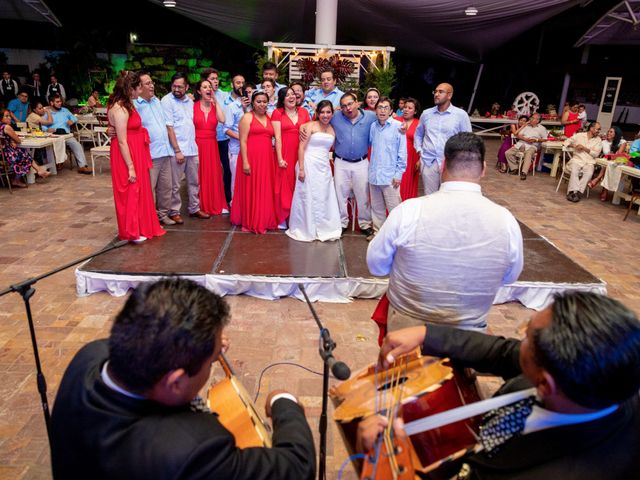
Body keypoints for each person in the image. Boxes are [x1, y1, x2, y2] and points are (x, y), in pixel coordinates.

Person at [50, 278, 316, 480]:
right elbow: (296, 466)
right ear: (175, 382)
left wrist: (201, 344)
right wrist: (285, 402)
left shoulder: (91, 356)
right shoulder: (194, 449)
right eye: (212, 361)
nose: (215, 360)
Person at [358, 291, 640, 480]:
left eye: (527, 337)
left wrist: (387, 463)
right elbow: (502, 353)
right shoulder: (595, 379)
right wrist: (427, 334)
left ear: (544, 384)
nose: (520, 343)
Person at [368, 132, 523, 332]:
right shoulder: (505, 220)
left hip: (406, 330)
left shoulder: (409, 211)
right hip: (469, 334)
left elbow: (376, 266)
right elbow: (509, 276)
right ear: (484, 169)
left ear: (442, 166)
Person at [301, 91, 375, 237]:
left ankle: (365, 224)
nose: (348, 108)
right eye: (343, 106)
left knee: (363, 194)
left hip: (361, 162)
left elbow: (386, 118)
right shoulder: (335, 118)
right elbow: (318, 120)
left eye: (350, 104)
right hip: (341, 162)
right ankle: (342, 223)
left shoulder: (370, 117)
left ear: (357, 102)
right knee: (340, 194)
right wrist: (302, 127)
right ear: (340, 108)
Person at [107, 72, 165, 243]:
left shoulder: (128, 105)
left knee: (139, 191)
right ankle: (131, 231)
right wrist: (130, 166)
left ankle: (140, 226)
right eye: (138, 87)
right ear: (130, 89)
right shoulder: (120, 109)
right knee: (130, 191)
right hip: (127, 154)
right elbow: (122, 141)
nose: (140, 90)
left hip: (137, 151)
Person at [286, 100, 341, 242]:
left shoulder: (332, 129)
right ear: (317, 113)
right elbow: (301, 148)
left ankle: (324, 227)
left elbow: (332, 149)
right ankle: (307, 228)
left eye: (328, 112)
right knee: (307, 196)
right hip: (308, 164)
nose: (325, 115)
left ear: (332, 114)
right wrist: (302, 169)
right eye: (322, 112)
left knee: (324, 196)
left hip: (324, 167)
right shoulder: (309, 126)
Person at [161, 72, 210, 221]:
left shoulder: (189, 101)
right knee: (175, 184)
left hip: (192, 148)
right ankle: (174, 211)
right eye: (174, 86)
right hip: (177, 150)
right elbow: (169, 128)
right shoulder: (166, 101)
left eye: (180, 87)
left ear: (187, 87)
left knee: (194, 181)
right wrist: (177, 150)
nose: (177, 89)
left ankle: (194, 208)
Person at [230, 91, 278, 234]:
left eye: (264, 101)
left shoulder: (270, 118)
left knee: (264, 188)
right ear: (253, 102)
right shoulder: (247, 117)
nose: (262, 104)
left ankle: (263, 218)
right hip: (251, 157)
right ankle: (252, 219)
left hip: (267, 159)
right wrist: (245, 162)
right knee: (252, 188)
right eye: (258, 101)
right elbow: (243, 141)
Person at [133, 73, 176, 226]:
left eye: (152, 82)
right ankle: (148, 218)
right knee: (148, 189)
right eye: (147, 83)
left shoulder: (157, 101)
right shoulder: (134, 105)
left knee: (166, 187)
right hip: (150, 153)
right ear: (139, 87)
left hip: (165, 151)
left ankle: (162, 215)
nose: (151, 86)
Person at [414, 83, 471, 194]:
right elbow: (418, 134)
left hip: (450, 163)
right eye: (435, 91)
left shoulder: (460, 115)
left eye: (441, 92)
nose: (436, 94)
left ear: (449, 95)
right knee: (430, 197)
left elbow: (467, 139)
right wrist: (419, 151)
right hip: (429, 162)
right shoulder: (426, 114)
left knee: (448, 196)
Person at [272, 86, 311, 228]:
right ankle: (283, 216)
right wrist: (280, 158)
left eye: (293, 94)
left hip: (301, 152)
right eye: (287, 95)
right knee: (283, 184)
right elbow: (277, 137)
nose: (291, 97)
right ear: (282, 99)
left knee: (299, 184)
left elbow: (308, 134)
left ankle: (298, 217)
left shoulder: (304, 112)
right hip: (285, 153)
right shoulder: (277, 113)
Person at [368, 97, 406, 234]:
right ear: (376, 110)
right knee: (377, 209)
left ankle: (397, 236)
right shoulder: (373, 127)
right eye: (380, 107)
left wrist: (398, 174)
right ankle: (378, 234)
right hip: (374, 175)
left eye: (386, 108)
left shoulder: (398, 127)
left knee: (394, 209)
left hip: (390, 177)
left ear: (391, 111)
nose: (382, 110)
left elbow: (402, 153)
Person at [193, 79, 228, 215]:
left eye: (210, 87)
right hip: (197, 144)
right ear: (198, 91)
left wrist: (215, 101)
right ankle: (199, 204)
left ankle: (216, 203)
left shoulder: (215, 107)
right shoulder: (192, 106)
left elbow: (222, 120)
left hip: (211, 144)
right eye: (205, 87)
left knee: (213, 173)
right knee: (198, 174)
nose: (208, 89)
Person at [202, 68, 235, 205]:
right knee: (208, 170)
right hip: (207, 138)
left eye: (216, 79)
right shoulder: (198, 96)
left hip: (223, 138)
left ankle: (226, 197)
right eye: (212, 79)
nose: (215, 81)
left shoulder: (223, 95)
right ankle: (207, 198)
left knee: (227, 168)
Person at [0, 108, 49, 188]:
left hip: (2, 153)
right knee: (24, 155)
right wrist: (14, 140)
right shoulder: (7, 127)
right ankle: (17, 179)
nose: (9, 118)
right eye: (6, 116)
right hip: (7, 155)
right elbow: (18, 140)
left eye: (9, 116)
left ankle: (39, 170)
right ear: (1, 117)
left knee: (23, 151)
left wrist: (11, 141)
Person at [44, 94, 92, 174]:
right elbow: (41, 125)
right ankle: (56, 164)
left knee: (77, 144)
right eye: (57, 102)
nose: (60, 103)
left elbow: (74, 117)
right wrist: (47, 129)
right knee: (51, 145)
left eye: (60, 101)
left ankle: (83, 166)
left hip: (66, 135)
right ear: (51, 103)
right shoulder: (47, 113)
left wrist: (72, 121)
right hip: (54, 136)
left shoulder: (65, 110)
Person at [223, 74, 251, 204]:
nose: (240, 85)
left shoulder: (253, 105)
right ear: (232, 85)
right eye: (237, 82)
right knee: (236, 180)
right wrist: (242, 138)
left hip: (252, 149)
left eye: (243, 83)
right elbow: (226, 129)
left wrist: (246, 109)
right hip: (236, 149)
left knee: (250, 180)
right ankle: (236, 206)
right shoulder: (231, 107)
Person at [564, 121, 602, 203]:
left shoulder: (598, 140)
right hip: (577, 159)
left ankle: (577, 193)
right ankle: (572, 192)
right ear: (591, 128)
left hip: (589, 162)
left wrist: (584, 148)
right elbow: (566, 141)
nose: (599, 131)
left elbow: (596, 154)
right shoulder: (579, 135)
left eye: (599, 130)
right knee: (574, 171)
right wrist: (574, 145)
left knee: (589, 173)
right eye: (597, 129)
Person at [504, 113, 547, 180]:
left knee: (528, 154)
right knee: (508, 153)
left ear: (538, 120)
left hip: (532, 145)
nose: (531, 119)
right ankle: (515, 168)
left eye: (533, 118)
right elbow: (519, 134)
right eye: (531, 117)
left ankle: (524, 173)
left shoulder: (542, 128)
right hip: (521, 143)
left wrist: (536, 139)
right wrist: (524, 139)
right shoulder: (527, 126)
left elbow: (545, 139)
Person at [588, 126, 626, 201]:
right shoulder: (603, 142)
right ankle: (604, 190)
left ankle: (597, 179)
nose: (608, 133)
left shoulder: (622, 142)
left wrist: (611, 155)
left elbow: (618, 154)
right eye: (608, 131)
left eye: (611, 132)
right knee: (608, 165)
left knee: (609, 165)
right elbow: (596, 150)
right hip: (608, 164)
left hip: (619, 163)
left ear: (616, 134)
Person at [396, 97, 421, 200]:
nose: (406, 109)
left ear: (415, 111)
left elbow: (423, 142)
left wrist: (420, 159)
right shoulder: (395, 121)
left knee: (408, 183)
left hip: (411, 159)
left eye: (410, 108)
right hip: (396, 157)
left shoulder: (419, 124)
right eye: (405, 107)